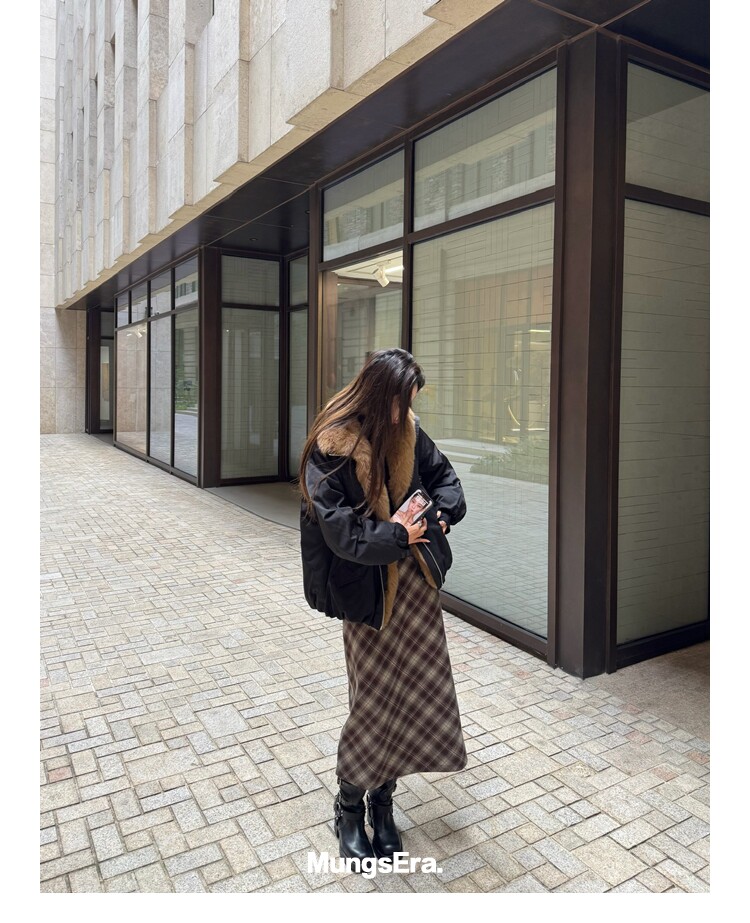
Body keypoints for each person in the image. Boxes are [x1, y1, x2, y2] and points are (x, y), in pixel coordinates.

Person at [298, 347, 468, 862]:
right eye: (400, 402)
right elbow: (342, 533)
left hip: (417, 590)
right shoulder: (332, 445)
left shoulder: (407, 430)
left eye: (410, 403)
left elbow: (447, 481)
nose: (405, 413)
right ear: (377, 394)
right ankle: (349, 807)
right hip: (369, 593)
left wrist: (440, 515)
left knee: (414, 693)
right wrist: (396, 534)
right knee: (373, 703)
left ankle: (384, 804)